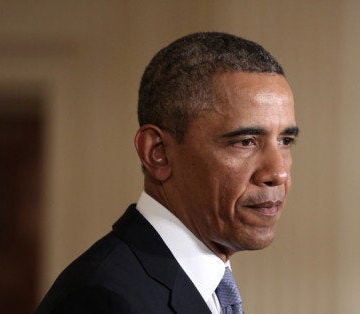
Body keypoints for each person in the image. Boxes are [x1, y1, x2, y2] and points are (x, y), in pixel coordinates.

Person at [36, 32, 298, 314]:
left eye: (285, 141)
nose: (278, 172)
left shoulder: (209, 285)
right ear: (157, 153)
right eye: (245, 141)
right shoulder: (103, 300)